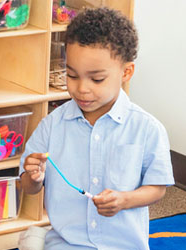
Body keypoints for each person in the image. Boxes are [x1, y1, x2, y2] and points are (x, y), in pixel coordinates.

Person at [20, 7, 174, 249]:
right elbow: (29, 188)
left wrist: (124, 200)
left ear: (126, 72)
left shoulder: (147, 128)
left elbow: (157, 188)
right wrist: (33, 176)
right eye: (72, 75)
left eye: (97, 79)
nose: (82, 88)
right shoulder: (52, 125)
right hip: (66, 243)